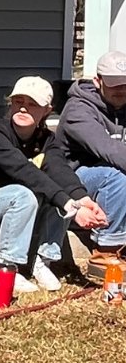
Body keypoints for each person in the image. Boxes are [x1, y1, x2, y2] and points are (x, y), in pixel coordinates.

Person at [0, 76, 105, 291]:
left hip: (18, 210)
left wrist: (83, 200)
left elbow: (59, 169)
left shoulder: (46, 139)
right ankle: (6, 266)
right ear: (10, 104)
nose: (23, 109)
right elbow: (23, 170)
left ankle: (43, 261)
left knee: (55, 192)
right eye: (18, 102)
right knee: (24, 192)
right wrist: (71, 206)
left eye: (32, 104)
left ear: (47, 110)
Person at [51, 51, 126, 281]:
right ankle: (106, 252)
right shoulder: (78, 109)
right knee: (116, 177)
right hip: (72, 178)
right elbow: (110, 150)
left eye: (125, 84)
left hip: (113, 171)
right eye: (114, 85)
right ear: (98, 81)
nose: (121, 89)